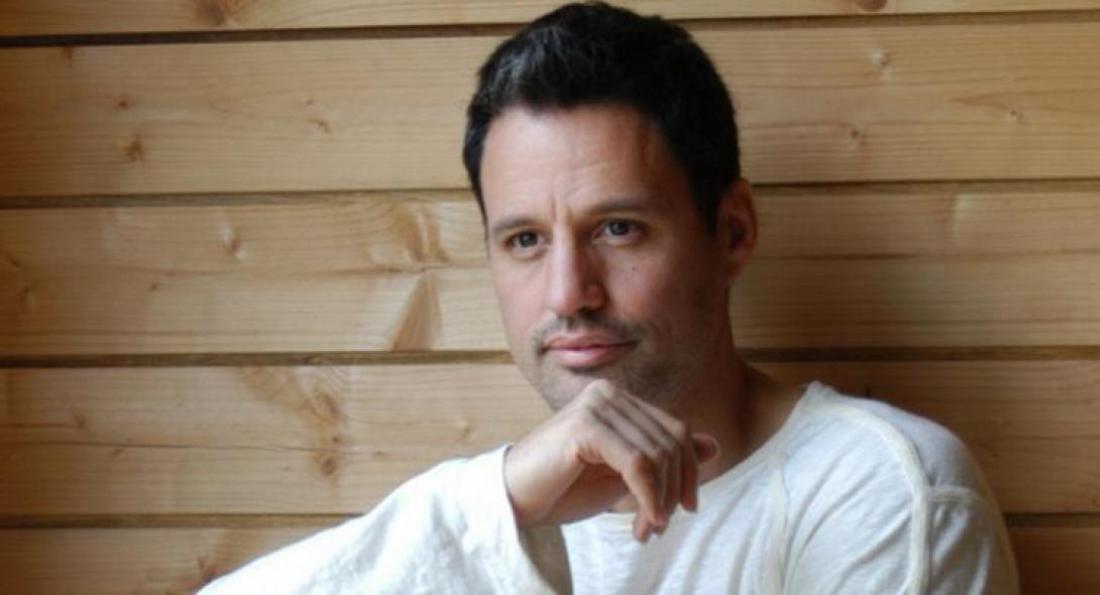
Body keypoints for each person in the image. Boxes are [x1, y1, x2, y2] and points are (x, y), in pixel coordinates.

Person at [201, 2, 1019, 593]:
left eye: (618, 228)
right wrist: (500, 499)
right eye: (525, 240)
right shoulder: (503, 510)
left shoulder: (881, 491)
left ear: (732, 232)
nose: (568, 293)